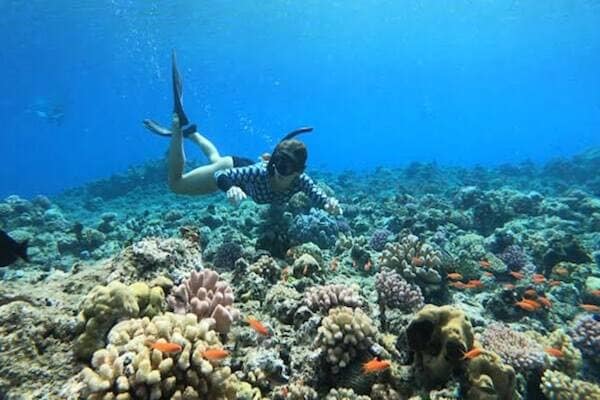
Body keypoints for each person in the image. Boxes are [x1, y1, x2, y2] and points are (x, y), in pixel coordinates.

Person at [143, 51, 342, 215]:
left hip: (236, 165)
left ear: (299, 171)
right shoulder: (262, 172)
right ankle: (178, 126)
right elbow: (221, 174)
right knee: (176, 185)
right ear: (273, 162)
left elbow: (319, 197)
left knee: (215, 157)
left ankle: (192, 133)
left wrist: (329, 204)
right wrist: (230, 187)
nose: (279, 172)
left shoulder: (301, 181)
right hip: (234, 170)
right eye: (278, 164)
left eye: (287, 168)